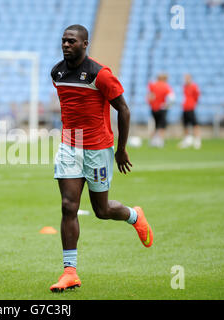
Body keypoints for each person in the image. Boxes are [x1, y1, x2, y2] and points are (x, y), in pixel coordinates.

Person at [49, 25, 154, 292]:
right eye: (63, 41)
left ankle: (133, 215)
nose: (65, 45)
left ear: (85, 44)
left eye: (71, 41)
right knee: (68, 205)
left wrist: (121, 149)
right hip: (70, 147)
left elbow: (124, 110)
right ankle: (70, 272)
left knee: (102, 211)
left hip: (98, 149)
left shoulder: (101, 74)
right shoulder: (57, 72)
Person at [147, 73, 174, 148]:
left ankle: (152, 140)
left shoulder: (153, 85)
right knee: (162, 125)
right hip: (162, 108)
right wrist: (167, 105)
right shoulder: (166, 86)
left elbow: (149, 97)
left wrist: (151, 103)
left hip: (153, 108)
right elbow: (172, 98)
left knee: (155, 124)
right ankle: (160, 140)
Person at [178, 74, 201, 149]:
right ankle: (187, 140)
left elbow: (197, 96)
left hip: (191, 108)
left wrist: (193, 103)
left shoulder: (194, 86)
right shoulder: (184, 87)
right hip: (185, 108)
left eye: (187, 78)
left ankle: (197, 140)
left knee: (195, 124)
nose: (185, 80)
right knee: (185, 125)